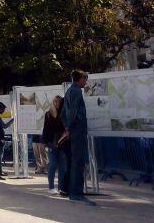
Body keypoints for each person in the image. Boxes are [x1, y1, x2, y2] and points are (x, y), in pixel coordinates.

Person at [61, 70, 97, 206]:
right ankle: (76, 193)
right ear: (79, 78)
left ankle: (73, 192)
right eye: (85, 78)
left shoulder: (69, 91)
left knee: (75, 161)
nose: (86, 80)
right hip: (77, 131)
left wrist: (66, 127)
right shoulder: (76, 91)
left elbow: (63, 113)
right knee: (78, 162)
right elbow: (74, 111)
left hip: (73, 130)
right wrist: (69, 128)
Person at [42, 95, 68, 195]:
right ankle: (51, 187)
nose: (57, 104)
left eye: (59, 102)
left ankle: (61, 187)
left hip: (62, 143)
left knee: (62, 166)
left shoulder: (64, 114)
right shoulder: (48, 114)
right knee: (52, 164)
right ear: (52, 102)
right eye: (55, 101)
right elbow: (45, 129)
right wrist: (44, 142)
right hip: (51, 143)